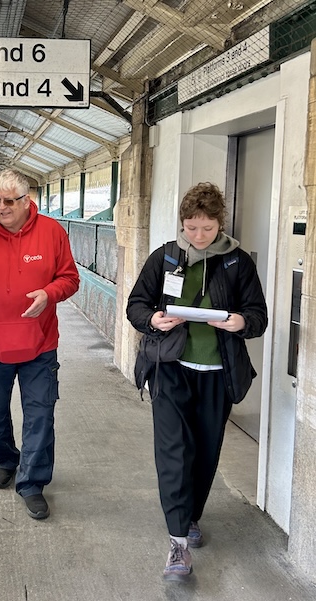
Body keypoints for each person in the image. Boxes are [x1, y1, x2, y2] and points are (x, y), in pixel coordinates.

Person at [126, 182, 267, 582]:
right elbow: (136, 304)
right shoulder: (166, 257)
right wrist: (153, 319)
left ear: (220, 223)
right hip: (170, 368)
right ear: (182, 224)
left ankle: (190, 516)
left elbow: (258, 314)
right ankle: (177, 544)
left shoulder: (237, 262)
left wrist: (242, 322)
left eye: (206, 228)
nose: (198, 236)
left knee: (205, 453)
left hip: (217, 374)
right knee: (172, 451)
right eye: (191, 227)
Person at [0, 168, 79, 519]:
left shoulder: (51, 232)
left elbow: (70, 278)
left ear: (27, 201)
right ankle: (7, 459)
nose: (1, 208)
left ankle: (33, 482)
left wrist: (49, 293)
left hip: (39, 345)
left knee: (40, 415)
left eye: (9, 201)